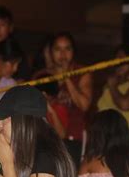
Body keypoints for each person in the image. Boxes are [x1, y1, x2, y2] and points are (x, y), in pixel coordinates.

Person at [33, 32, 93, 168]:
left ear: (73, 51)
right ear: (51, 52)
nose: (63, 54)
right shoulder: (42, 75)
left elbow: (84, 105)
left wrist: (67, 77)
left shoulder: (82, 72)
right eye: (58, 49)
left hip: (73, 138)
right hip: (45, 138)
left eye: (67, 49)